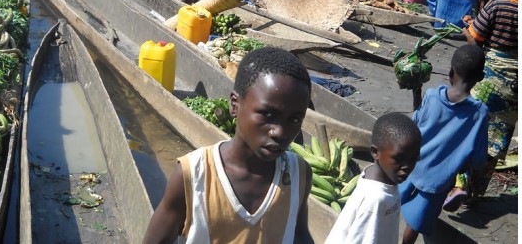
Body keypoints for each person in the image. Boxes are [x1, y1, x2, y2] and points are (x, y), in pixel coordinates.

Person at [142, 47, 315, 244]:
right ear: (235, 105)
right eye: (267, 114)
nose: (280, 132)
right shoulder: (194, 174)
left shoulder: (297, 175)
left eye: (294, 120)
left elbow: (299, 235)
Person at [400, 44, 489, 244]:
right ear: (480, 78)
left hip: (411, 167)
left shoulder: (432, 95)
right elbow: (478, 158)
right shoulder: (480, 114)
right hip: (438, 181)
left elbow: (415, 123)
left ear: (450, 72)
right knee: (414, 225)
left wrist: (416, 93)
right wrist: (473, 173)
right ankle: (458, 188)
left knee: (391, 203)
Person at [460, 0, 518, 206]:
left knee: (470, 131)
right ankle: (475, 194)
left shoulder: (498, 5)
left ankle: (457, 186)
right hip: (514, 89)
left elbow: (474, 41)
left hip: (489, 80)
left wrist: (468, 28)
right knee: (494, 141)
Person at [325, 113, 421, 244]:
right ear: (376, 152)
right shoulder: (375, 200)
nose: (406, 167)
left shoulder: (382, 178)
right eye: (398, 159)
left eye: (413, 159)